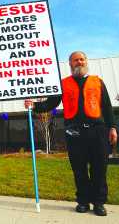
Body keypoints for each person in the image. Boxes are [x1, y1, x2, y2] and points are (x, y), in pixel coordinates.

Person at [24, 51, 117, 216]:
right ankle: (82, 201)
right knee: (79, 169)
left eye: (82, 59)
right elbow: (49, 104)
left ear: (86, 61)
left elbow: (107, 107)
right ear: (70, 64)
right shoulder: (63, 84)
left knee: (99, 169)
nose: (79, 62)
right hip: (74, 132)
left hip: (98, 132)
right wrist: (34, 105)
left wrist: (113, 127)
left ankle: (99, 203)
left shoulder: (98, 82)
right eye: (75, 60)